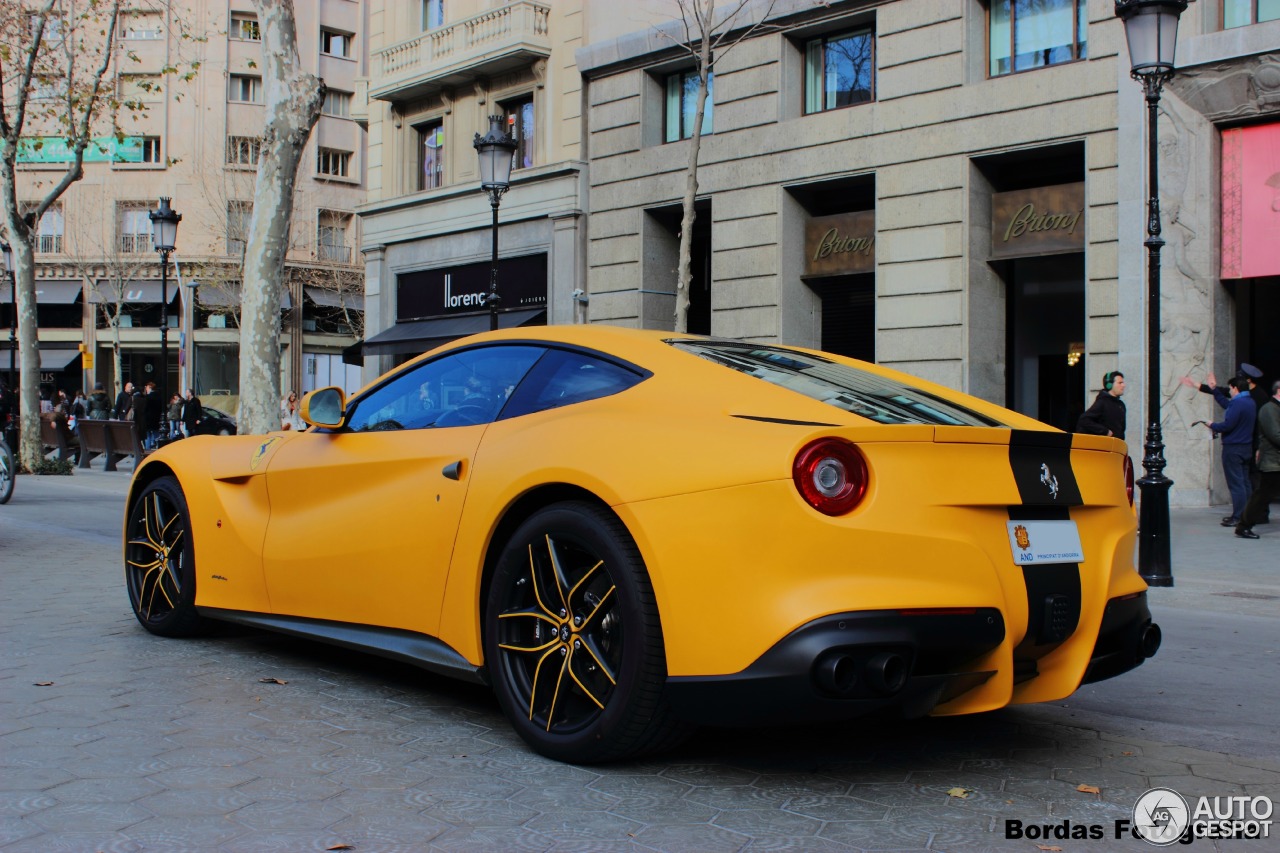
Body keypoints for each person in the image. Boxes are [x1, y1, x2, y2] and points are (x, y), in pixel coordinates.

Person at [1203, 376, 1258, 528]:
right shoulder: (1249, 402)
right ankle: (1247, 515)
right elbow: (1227, 405)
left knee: (1236, 484)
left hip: (1233, 448)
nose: (1230, 392)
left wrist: (1212, 424)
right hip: (1246, 447)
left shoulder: (1238, 403)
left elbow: (1228, 425)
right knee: (1245, 483)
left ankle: (1238, 516)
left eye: (1230, 389)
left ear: (1235, 388)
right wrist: (1214, 390)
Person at [1236, 380, 1280, 540]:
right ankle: (1243, 525)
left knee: (1263, 495)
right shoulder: (1269, 409)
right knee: (1262, 495)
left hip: (1276, 462)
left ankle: (1244, 525)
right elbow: (1275, 435)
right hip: (1273, 463)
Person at [1076, 371, 1126, 440]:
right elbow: (1084, 420)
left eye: (1123, 383)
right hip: (1105, 447)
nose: (1123, 385)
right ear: (1109, 385)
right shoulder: (1102, 402)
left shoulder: (1121, 405)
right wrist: (1105, 431)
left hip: (1116, 447)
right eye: (1120, 383)